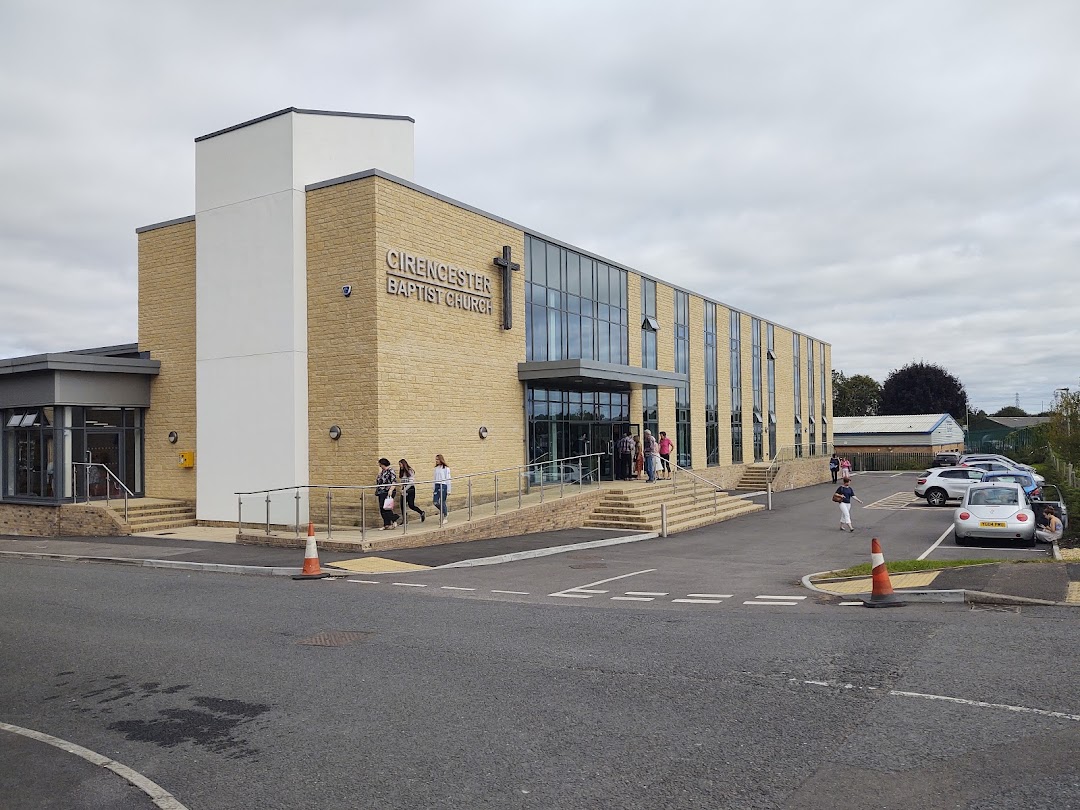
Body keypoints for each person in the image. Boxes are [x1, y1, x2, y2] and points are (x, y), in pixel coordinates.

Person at [398, 459, 426, 523]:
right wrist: (402, 488)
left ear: (404, 464)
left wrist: (404, 490)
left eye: (400, 464)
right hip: (404, 489)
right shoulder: (402, 472)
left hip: (410, 489)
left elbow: (411, 482)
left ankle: (421, 512)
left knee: (411, 505)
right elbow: (402, 482)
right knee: (402, 505)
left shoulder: (410, 471)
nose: (400, 466)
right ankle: (404, 519)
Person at [375, 458, 399, 530]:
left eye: (380, 464)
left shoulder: (390, 471)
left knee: (386, 507)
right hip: (381, 491)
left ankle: (394, 518)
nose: (379, 465)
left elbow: (394, 481)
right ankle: (386, 524)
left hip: (387, 491)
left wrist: (391, 489)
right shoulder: (382, 471)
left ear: (382, 464)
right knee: (382, 508)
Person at [433, 453, 451, 519]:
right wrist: (433, 488)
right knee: (435, 502)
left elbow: (448, 479)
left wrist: (449, 490)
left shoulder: (446, 468)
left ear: (441, 460)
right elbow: (434, 478)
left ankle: (445, 516)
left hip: (443, 485)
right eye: (436, 459)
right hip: (437, 485)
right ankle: (444, 511)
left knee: (442, 501)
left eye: (437, 459)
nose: (436, 461)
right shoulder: (436, 468)